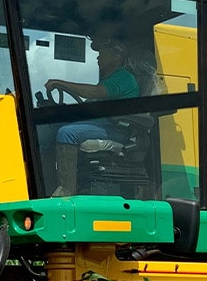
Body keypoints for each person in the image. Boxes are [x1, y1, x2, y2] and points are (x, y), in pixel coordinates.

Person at [45, 40, 139, 196]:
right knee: (51, 129)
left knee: (67, 133)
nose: (97, 58)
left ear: (116, 55)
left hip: (117, 129)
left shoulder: (124, 78)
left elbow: (95, 92)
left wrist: (60, 83)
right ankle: (45, 187)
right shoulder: (110, 79)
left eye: (102, 52)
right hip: (103, 125)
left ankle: (66, 192)